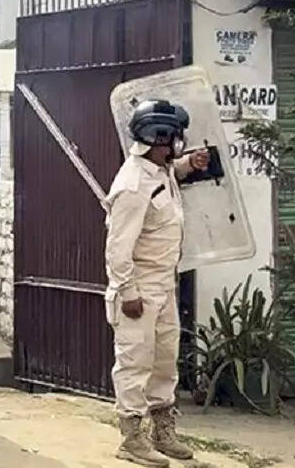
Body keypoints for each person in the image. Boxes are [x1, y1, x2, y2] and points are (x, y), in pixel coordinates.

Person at [105, 99, 209, 467]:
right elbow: (118, 248)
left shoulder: (159, 170)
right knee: (135, 363)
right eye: (176, 137)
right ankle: (132, 438)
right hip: (140, 287)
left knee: (164, 362)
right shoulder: (133, 184)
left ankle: (163, 431)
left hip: (164, 284)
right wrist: (128, 292)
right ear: (160, 138)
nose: (181, 142)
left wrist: (188, 165)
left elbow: (167, 180)